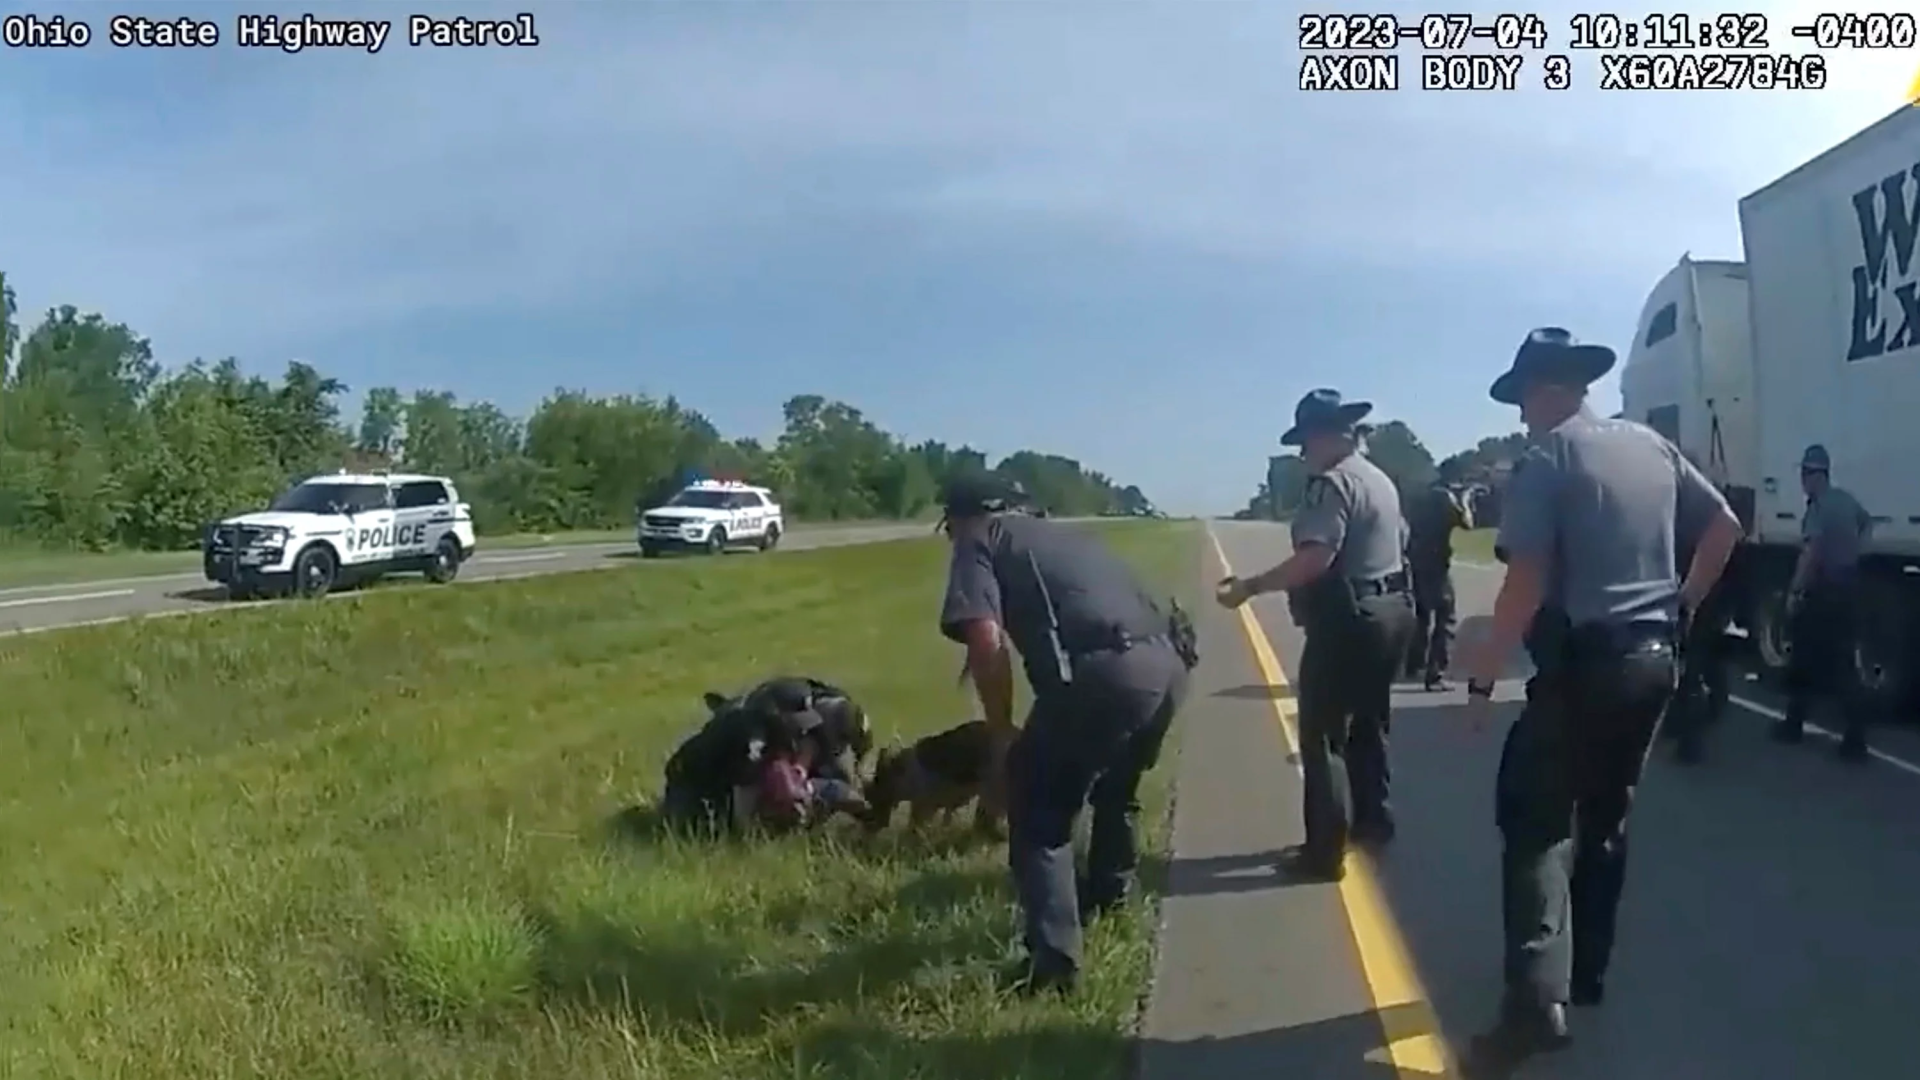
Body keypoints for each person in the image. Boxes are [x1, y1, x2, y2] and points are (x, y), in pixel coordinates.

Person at [1455, 328, 1741, 1075]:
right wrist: (1683, 604)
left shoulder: (1549, 458)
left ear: (1543, 390)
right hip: (1653, 663)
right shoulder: (1649, 447)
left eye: (1521, 398)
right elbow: (1725, 526)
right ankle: (1586, 975)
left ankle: (1533, 1004)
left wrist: (1484, 673)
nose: (1520, 415)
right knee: (1607, 816)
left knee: (1534, 817)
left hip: (1586, 666)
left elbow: (1525, 579)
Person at [937, 471, 1193, 994]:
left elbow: (986, 638)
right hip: (1168, 664)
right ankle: (1109, 897)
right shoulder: (1065, 535)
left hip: (1108, 674)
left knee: (1037, 806)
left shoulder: (978, 537)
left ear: (960, 517)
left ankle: (1053, 969)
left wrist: (1002, 732)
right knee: (1116, 788)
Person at [1215, 389, 1416, 882]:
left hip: (1350, 617)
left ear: (1323, 436)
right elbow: (1402, 539)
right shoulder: (1380, 480)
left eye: (1305, 443)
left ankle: (1324, 850)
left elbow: (1315, 558)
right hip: (1394, 608)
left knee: (1322, 735)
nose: (1303, 454)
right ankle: (1374, 820)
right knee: (1369, 723)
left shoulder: (1331, 485)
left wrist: (1250, 586)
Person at [1771, 443, 1873, 760]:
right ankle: (1853, 738)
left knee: (1804, 659)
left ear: (1815, 475)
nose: (1802, 480)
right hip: (1848, 588)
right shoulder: (1846, 500)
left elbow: (1810, 554)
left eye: (1805, 473)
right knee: (1842, 663)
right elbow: (1867, 524)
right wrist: (1855, 553)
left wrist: (1795, 592)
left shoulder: (1818, 508)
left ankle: (1794, 726)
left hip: (1823, 594)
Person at [1405, 479, 1471, 690]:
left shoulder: (1418, 499)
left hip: (1414, 561)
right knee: (1446, 617)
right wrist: (1466, 499)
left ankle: (1413, 664)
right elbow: (1467, 524)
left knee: (1422, 615)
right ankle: (1435, 674)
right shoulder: (1446, 499)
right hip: (1436, 566)